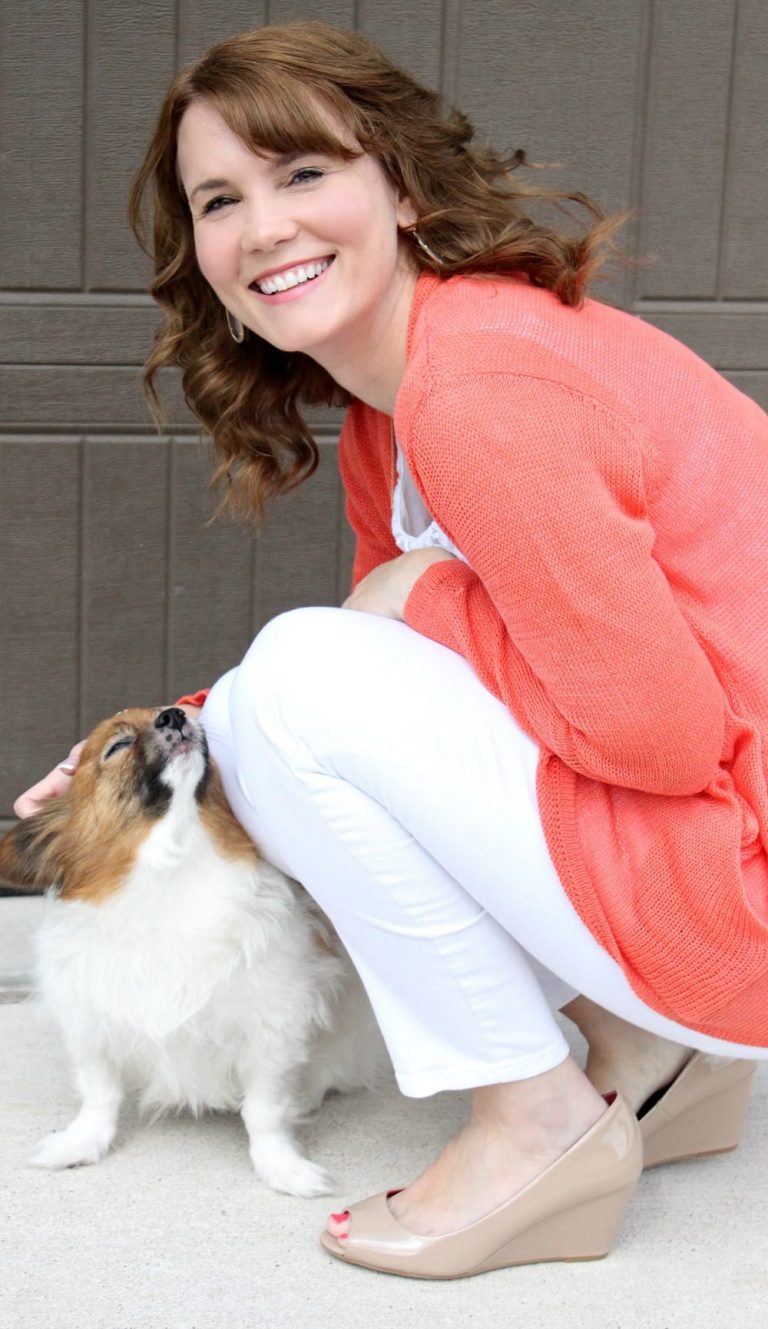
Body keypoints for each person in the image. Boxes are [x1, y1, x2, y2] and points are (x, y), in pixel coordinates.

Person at [16, 21, 768, 1280]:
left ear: (403, 190)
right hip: (718, 844)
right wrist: (200, 721)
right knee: (278, 700)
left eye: (303, 174)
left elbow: (656, 734)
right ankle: (653, 1053)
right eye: (220, 199)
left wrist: (404, 602)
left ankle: (539, 1122)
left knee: (293, 688)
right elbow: (410, 659)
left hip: (734, 888)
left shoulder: (481, 390)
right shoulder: (398, 402)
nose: (263, 228)